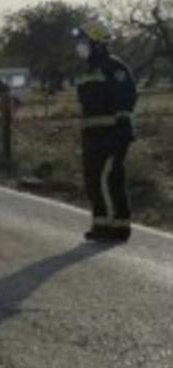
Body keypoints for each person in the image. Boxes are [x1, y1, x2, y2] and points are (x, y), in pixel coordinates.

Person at [75, 21, 139, 243]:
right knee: (93, 179)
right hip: (92, 135)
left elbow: (126, 98)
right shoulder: (88, 71)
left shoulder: (115, 67)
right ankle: (102, 225)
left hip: (113, 133)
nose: (80, 46)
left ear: (97, 44)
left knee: (107, 178)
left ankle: (118, 227)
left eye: (84, 41)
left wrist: (121, 130)